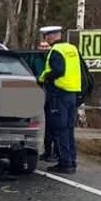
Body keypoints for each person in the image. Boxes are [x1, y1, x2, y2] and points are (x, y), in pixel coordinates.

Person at [37, 26, 85, 174]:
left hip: (60, 94)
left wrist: (44, 77)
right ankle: (71, 160)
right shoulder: (72, 48)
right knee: (69, 129)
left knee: (60, 129)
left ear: (51, 37)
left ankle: (65, 163)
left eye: (46, 36)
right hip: (73, 93)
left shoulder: (56, 51)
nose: (45, 39)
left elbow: (58, 71)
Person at [37, 29, 57, 163]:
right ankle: (47, 150)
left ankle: (53, 152)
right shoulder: (34, 58)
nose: (44, 49)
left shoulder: (54, 58)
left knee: (53, 124)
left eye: (46, 47)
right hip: (39, 92)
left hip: (52, 94)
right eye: (42, 46)